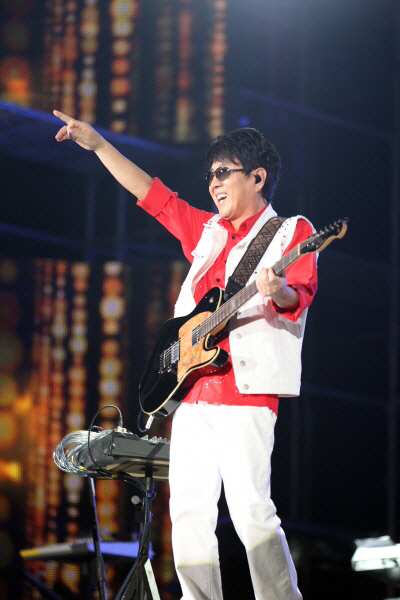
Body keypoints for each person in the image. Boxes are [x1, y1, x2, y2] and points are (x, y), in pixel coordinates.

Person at [54, 110, 317, 600]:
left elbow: (297, 295)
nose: (213, 183)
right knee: (189, 512)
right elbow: (152, 194)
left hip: (246, 389)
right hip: (191, 393)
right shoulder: (206, 231)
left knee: (251, 510)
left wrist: (277, 289)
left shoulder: (290, 232)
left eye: (224, 172)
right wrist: (98, 144)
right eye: (210, 174)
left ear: (258, 177)